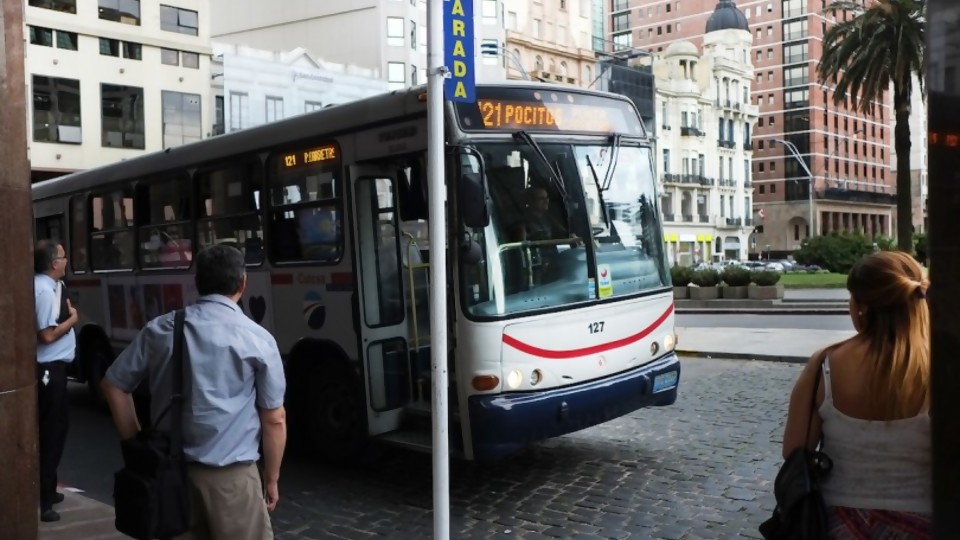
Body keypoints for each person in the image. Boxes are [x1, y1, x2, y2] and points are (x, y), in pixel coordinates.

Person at [101, 245, 287, 540]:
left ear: (197, 283)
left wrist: (136, 442)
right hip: (233, 481)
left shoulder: (160, 329)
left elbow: (113, 385)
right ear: (243, 283)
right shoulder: (258, 339)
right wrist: (272, 477)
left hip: (169, 475)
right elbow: (274, 418)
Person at [781, 251, 932, 538]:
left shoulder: (823, 365)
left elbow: (794, 450)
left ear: (861, 306)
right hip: (923, 522)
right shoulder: (941, 366)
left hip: (837, 522)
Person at [34, 239, 79, 523]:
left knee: (59, 427)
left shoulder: (51, 287)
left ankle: (48, 489)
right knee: (50, 432)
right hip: (49, 369)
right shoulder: (42, 290)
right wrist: (72, 320)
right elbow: (47, 335)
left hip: (58, 368)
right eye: (62, 256)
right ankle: (44, 499)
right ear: (53, 263)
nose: (66, 260)